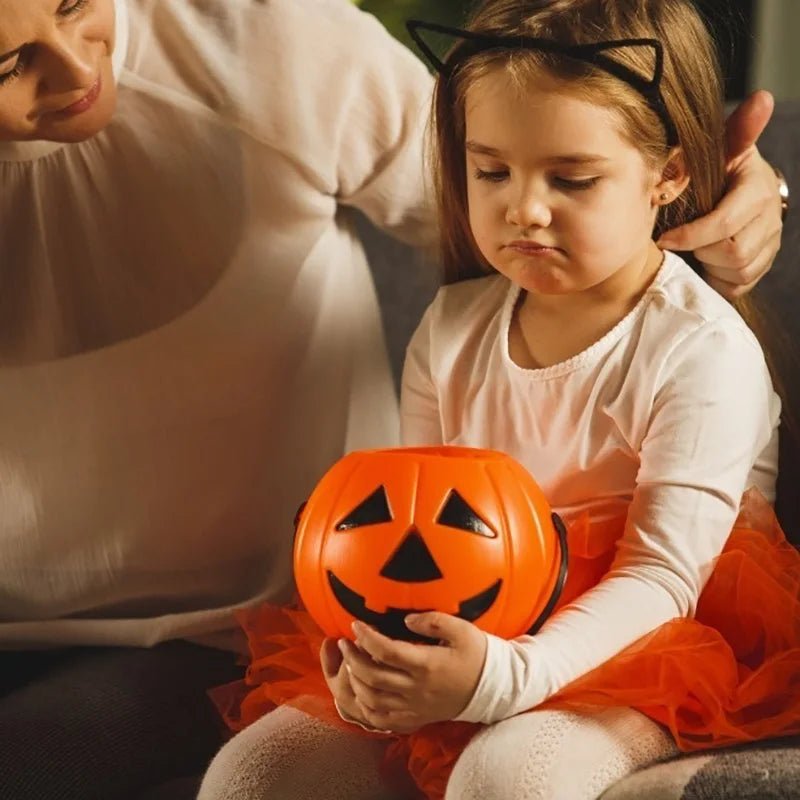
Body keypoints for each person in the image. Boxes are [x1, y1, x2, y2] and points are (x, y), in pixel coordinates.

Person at [0, 0, 788, 797]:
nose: (523, 209)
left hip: (640, 644)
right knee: (252, 776)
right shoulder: (451, 326)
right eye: (490, 172)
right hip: (471, 635)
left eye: (572, 179)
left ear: (672, 174)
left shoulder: (701, 350)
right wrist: (378, 665)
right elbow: (410, 525)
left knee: (509, 776)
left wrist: (502, 678)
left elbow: (659, 576)